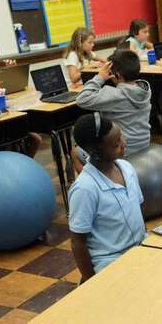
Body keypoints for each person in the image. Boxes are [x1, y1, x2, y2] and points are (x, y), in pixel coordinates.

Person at [69, 113, 146, 282]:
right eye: (117, 144)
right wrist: (91, 281)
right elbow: (77, 242)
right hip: (111, 263)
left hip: (141, 250)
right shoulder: (85, 189)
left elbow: (137, 211)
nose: (124, 144)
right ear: (96, 152)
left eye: (121, 138)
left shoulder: (126, 168)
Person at [73, 49, 152, 173]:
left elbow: (81, 99)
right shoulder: (145, 89)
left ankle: (99, 183)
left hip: (124, 150)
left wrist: (100, 77)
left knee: (76, 152)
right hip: (144, 144)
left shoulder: (113, 94)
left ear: (118, 75)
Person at [0, 40, 42, 158]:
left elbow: (15, 91)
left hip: (6, 117)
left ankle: (25, 164)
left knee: (35, 139)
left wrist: (12, 73)